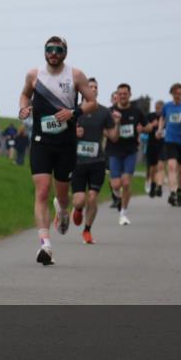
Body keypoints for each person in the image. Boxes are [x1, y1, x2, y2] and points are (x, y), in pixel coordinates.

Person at [18, 36, 97, 265]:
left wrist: (74, 112)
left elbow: (92, 101)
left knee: (62, 195)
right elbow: (25, 94)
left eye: (58, 49)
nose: (53, 53)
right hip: (41, 140)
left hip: (66, 143)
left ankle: (62, 210)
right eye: (49, 49)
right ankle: (45, 245)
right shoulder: (34, 74)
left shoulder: (76, 75)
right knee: (42, 190)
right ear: (44, 51)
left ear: (65, 52)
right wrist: (24, 108)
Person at [71, 78, 117, 244]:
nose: (92, 89)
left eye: (95, 87)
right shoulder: (74, 111)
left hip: (97, 161)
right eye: (89, 87)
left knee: (92, 198)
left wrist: (117, 123)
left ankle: (87, 230)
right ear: (83, 90)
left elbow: (113, 137)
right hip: (77, 162)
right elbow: (61, 132)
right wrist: (73, 132)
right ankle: (77, 210)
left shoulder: (104, 112)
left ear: (97, 91)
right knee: (79, 200)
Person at [105, 83, 150, 226]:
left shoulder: (136, 111)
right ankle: (117, 197)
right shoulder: (110, 111)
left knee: (126, 182)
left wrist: (143, 129)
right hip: (114, 151)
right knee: (116, 184)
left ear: (130, 95)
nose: (123, 96)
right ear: (117, 95)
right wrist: (111, 131)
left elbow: (148, 127)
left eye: (125, 93)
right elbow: (103, 129)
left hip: (130, 151)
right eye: (120, 94)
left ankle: (123, 213)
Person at [159, 83, 181, 207]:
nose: (177, 95)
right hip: (170, 140)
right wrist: (160, 129)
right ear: (171, 93)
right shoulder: (167, 106)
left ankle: (179, 191)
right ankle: (172, 193)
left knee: (180, 169)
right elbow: (162, 118)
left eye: (179, 93)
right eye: (175, 93)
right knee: (171, 166)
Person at [145, 99, 165, 197]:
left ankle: (159, 186)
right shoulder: (150, 116)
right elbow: (143, 128)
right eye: (157, 108)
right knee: (152, 167)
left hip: (163, 145)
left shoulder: (166, 117)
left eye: (160, 108)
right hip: (152, 144)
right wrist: (152, 125)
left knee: (160, 166)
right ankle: (153, 184)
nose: (158, 110)